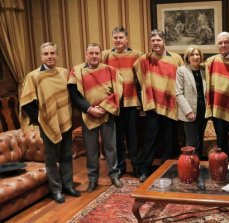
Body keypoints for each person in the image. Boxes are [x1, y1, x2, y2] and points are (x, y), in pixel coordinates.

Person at [20, 42, 80, 203]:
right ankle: (56, 190)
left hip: (64, 121)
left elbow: (71, 95)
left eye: (52, 53)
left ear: (57, 55)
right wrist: (42, 119)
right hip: (48, 124)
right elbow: (26, 103)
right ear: (41, 56)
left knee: (67, 155)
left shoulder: (63, 72)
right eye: (46, 54)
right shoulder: (34, 76)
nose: (50, 56)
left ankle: (68, 185)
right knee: (51, 158)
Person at [68, 43, 123, 192]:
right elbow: (74, 95)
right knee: (91, 150)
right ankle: (93, 179)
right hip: (88, 116)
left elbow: (117, 92)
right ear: (86, 54)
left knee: (111, 147)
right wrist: (90, 109)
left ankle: (114, 175)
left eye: (97, 53)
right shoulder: (77, 71)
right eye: (91, 53)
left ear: (100, 54)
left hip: (106, 114)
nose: (94, 56)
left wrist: (104, 108)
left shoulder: (110, 71)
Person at [133, 30, 184, 182]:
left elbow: (182, 80)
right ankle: (144, 170)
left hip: (170, 104)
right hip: (153, 106)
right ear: (150, 42)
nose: (156, 42)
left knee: (168, 140)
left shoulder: (176, 59)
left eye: (159, 40)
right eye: (153, 40)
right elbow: (137, 79)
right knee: (149, 139)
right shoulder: (144, 59)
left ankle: (166, 170)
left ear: (164, 41)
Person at [101, 26, 142, 178]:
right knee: (117, 139)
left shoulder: (136, 54)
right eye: (115, 38)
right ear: (113, 39)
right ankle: (120, 167)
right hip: (114, 104)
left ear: (126, 39)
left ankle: (137, 167)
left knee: (134, 138)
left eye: (121, 37)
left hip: (131, 103)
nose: (118, 40)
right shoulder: (106, 55)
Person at [175, 45, 207, 159]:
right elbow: (178, 93)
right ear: (188, 58)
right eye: (192, 55)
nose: (195, 57)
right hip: (189, 113)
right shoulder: (181, 71)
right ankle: (189, 166)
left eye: (197, 54)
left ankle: (199, 166)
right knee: (192, 142)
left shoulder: (204, 70)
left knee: (200, 140)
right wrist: (188, 111)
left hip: (203, 111)